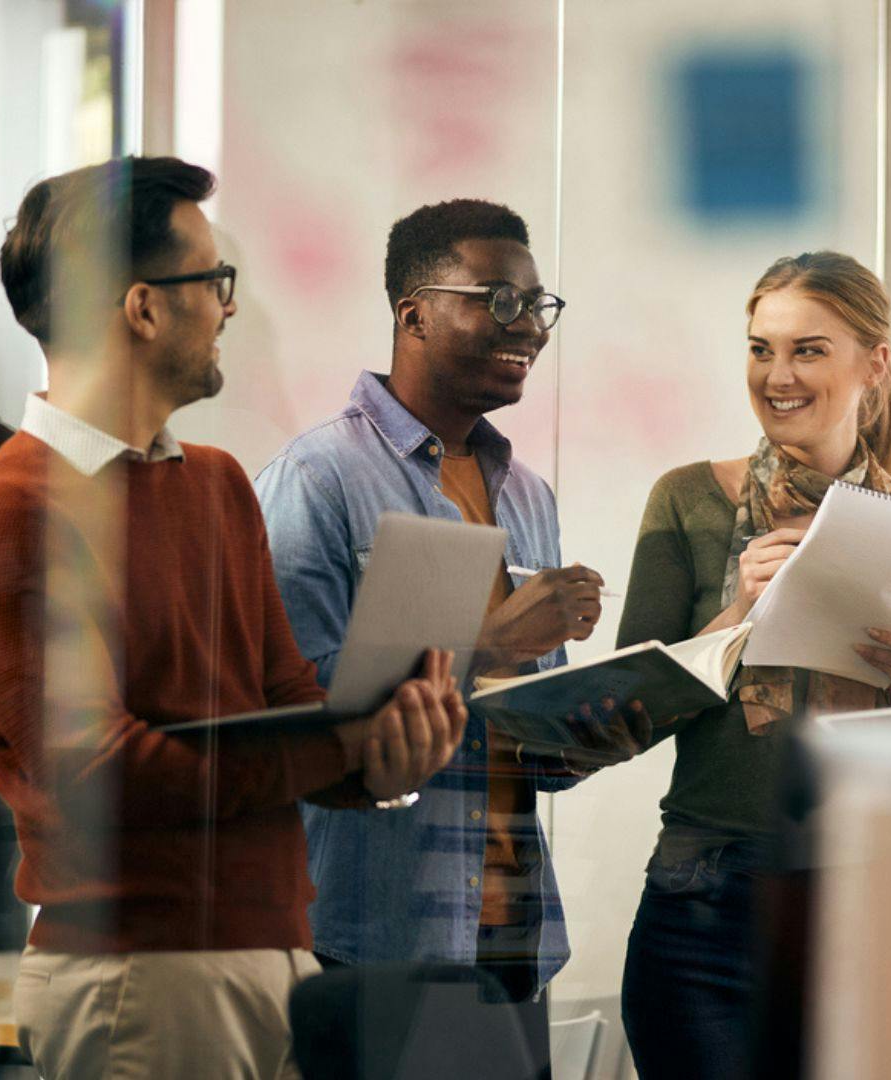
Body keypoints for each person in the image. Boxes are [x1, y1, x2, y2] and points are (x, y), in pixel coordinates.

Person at [0, 156, 465, 1080]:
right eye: (213, 280)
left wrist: (383, 761)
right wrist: (337, 749)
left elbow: (290, 702)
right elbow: (100, 778)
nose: (228, 306)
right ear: (141, 308)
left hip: (276, 955)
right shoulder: (10, 508)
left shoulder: (216, 485)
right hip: (139, 973)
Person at [254, 198, 647, 1077]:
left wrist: (586, 736)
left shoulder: (527, 495)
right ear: (414, 312)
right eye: (499, 302)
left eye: (538, 306)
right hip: (374, 935)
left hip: (512, 937)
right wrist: (489, 644)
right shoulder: (315, 480)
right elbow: (302, 717)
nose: (529, 329)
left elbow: (512, 733)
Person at [613, 251, 891, 1080]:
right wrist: (737, 617)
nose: (778, 375)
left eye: (808, 349)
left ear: (873, 364)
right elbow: (628, 715)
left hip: (863, 902)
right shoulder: (687, 500)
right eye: (760, 348)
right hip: (701, 901)